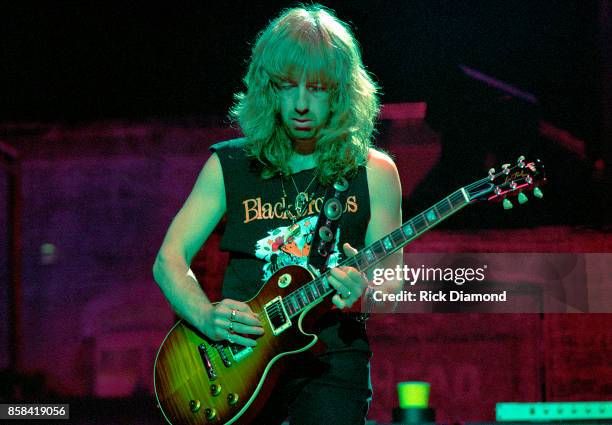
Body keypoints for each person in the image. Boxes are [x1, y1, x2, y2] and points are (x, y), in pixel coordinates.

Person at [153, 4, 403, 424]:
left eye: (319, 88)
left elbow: (393, 290)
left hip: (332, 367)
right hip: (240, 364)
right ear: (269, 88)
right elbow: (169, 260)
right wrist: (205, 315)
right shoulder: (230, 165)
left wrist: (362, 294)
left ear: (342, 91)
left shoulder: (375, 173)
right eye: (288, 86)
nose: (301, 104)